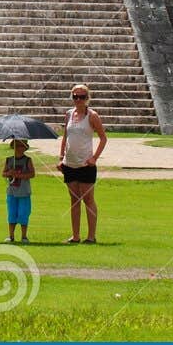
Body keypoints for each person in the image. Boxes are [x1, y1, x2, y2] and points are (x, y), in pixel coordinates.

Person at [58, 84, 106, 243]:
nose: (78, 99)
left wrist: (94, 158)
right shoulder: (68, 114)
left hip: (86, 165)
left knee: (88, 199)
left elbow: (103, 138)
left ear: (87, 98)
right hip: (69, 163)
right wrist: (61, 157)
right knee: (74, 200)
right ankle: (76, 235)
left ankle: (91, 236)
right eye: (75, 96)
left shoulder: (92, 116)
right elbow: (65, 137)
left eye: (82, 96)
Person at [2, 137, 35, 243]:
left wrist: (21, 175)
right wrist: (10, 173)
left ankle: (24, 236)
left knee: (23, 214)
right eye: (17, 146)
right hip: (12, 192)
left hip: (24, 192)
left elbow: (32, 174)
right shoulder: (9, 160)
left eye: (22, 146)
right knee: (12, 214)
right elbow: (3, 173)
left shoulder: (28, 160)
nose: (19, 148)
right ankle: (11, 236)